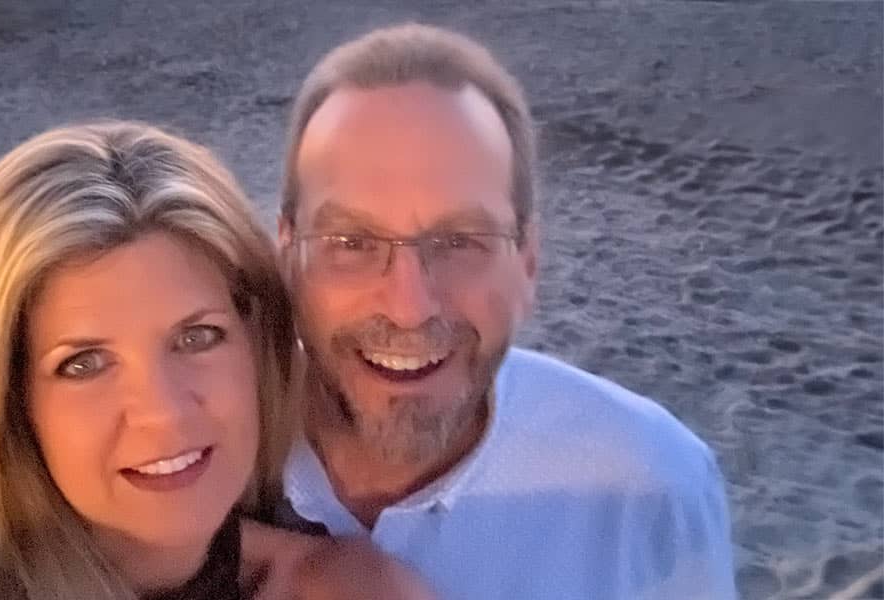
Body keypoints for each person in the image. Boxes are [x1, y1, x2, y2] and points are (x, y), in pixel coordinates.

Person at [0, 122, 433, 600]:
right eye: (84, 363)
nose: (162, 411)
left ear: (257, 346)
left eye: (198, 338)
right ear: (7, 398)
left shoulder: (351, 590)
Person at [275, 23, 738, 599]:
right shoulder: (191, 460)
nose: (409, 308)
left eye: (461, 242)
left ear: (529, 264)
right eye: (351, 244)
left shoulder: (649, 486)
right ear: (287, 254)